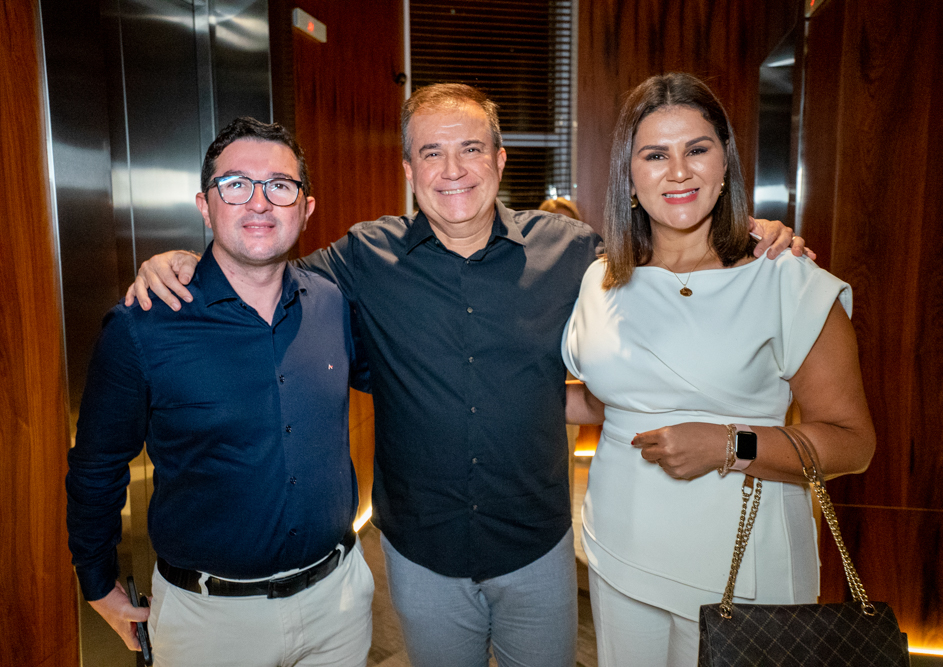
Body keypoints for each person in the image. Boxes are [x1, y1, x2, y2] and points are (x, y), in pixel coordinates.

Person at [125, 84, 808, 667]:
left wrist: (745, 232)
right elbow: (258, 269)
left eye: (472, 148)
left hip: (537, 546)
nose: (453, 169)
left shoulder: (573, 252)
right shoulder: (363, 256)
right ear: (409, 168)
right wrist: (184, 261)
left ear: (499, 159)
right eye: (432, 152)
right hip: (420, 551)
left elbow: (665, 260)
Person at [561, 73, 876, 666]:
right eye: (655, 155)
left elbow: (852, 442)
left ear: (725, 162)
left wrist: (729, 444)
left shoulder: (785, 278)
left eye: (697, 149)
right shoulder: (601, 281)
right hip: (619, 546)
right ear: (629, 176)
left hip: (745, 560)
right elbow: (609, 400)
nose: (678, 172)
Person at [66, 117, 374, 667]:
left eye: (279, 185)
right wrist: (96, 581)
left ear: (305, 208)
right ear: (205, 207)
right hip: (209, 623)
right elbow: (97, 465)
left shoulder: (332, 303)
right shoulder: (143, 327)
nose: (259, 202)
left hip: (339, 604)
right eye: (235, 184)